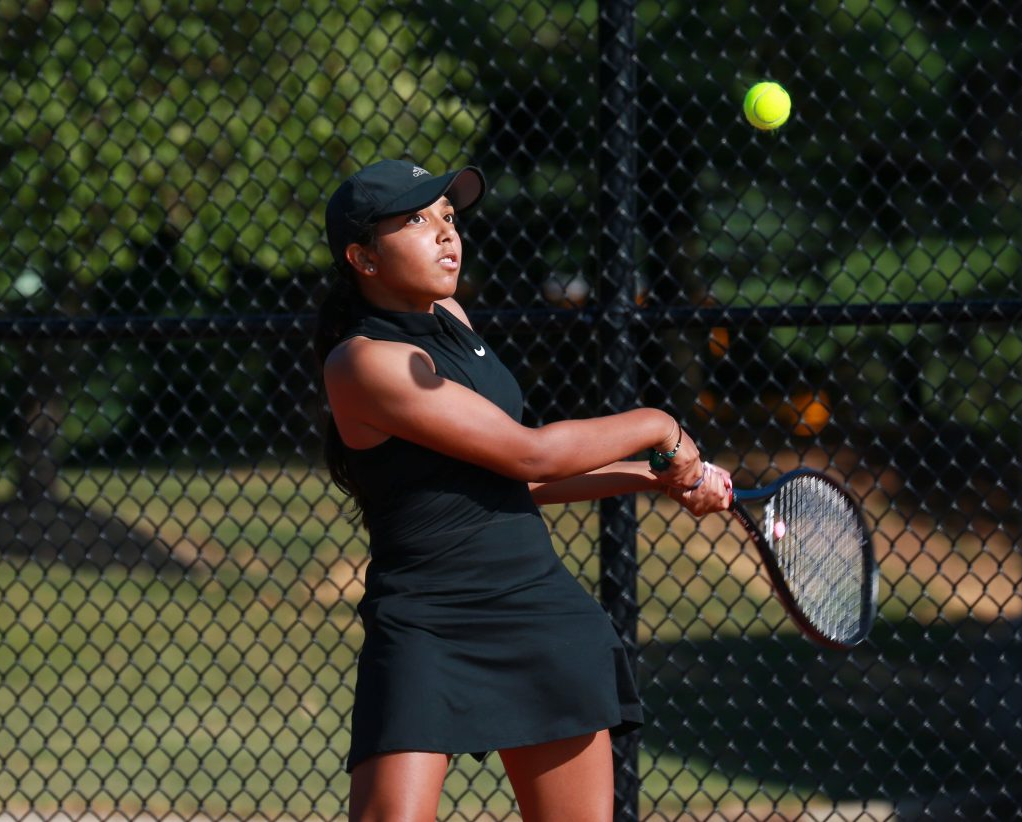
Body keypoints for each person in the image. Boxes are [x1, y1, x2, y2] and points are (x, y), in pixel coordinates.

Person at [313, 158, 732, 822]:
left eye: (449, 217)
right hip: (427, 624)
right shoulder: (363, 362)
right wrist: (660, 426)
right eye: (418, 221)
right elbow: (528, 449)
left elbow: (521, 479)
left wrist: (653, 480)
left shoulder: (452, 317)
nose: (447, 235)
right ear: (362, 257)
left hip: (538, 611)